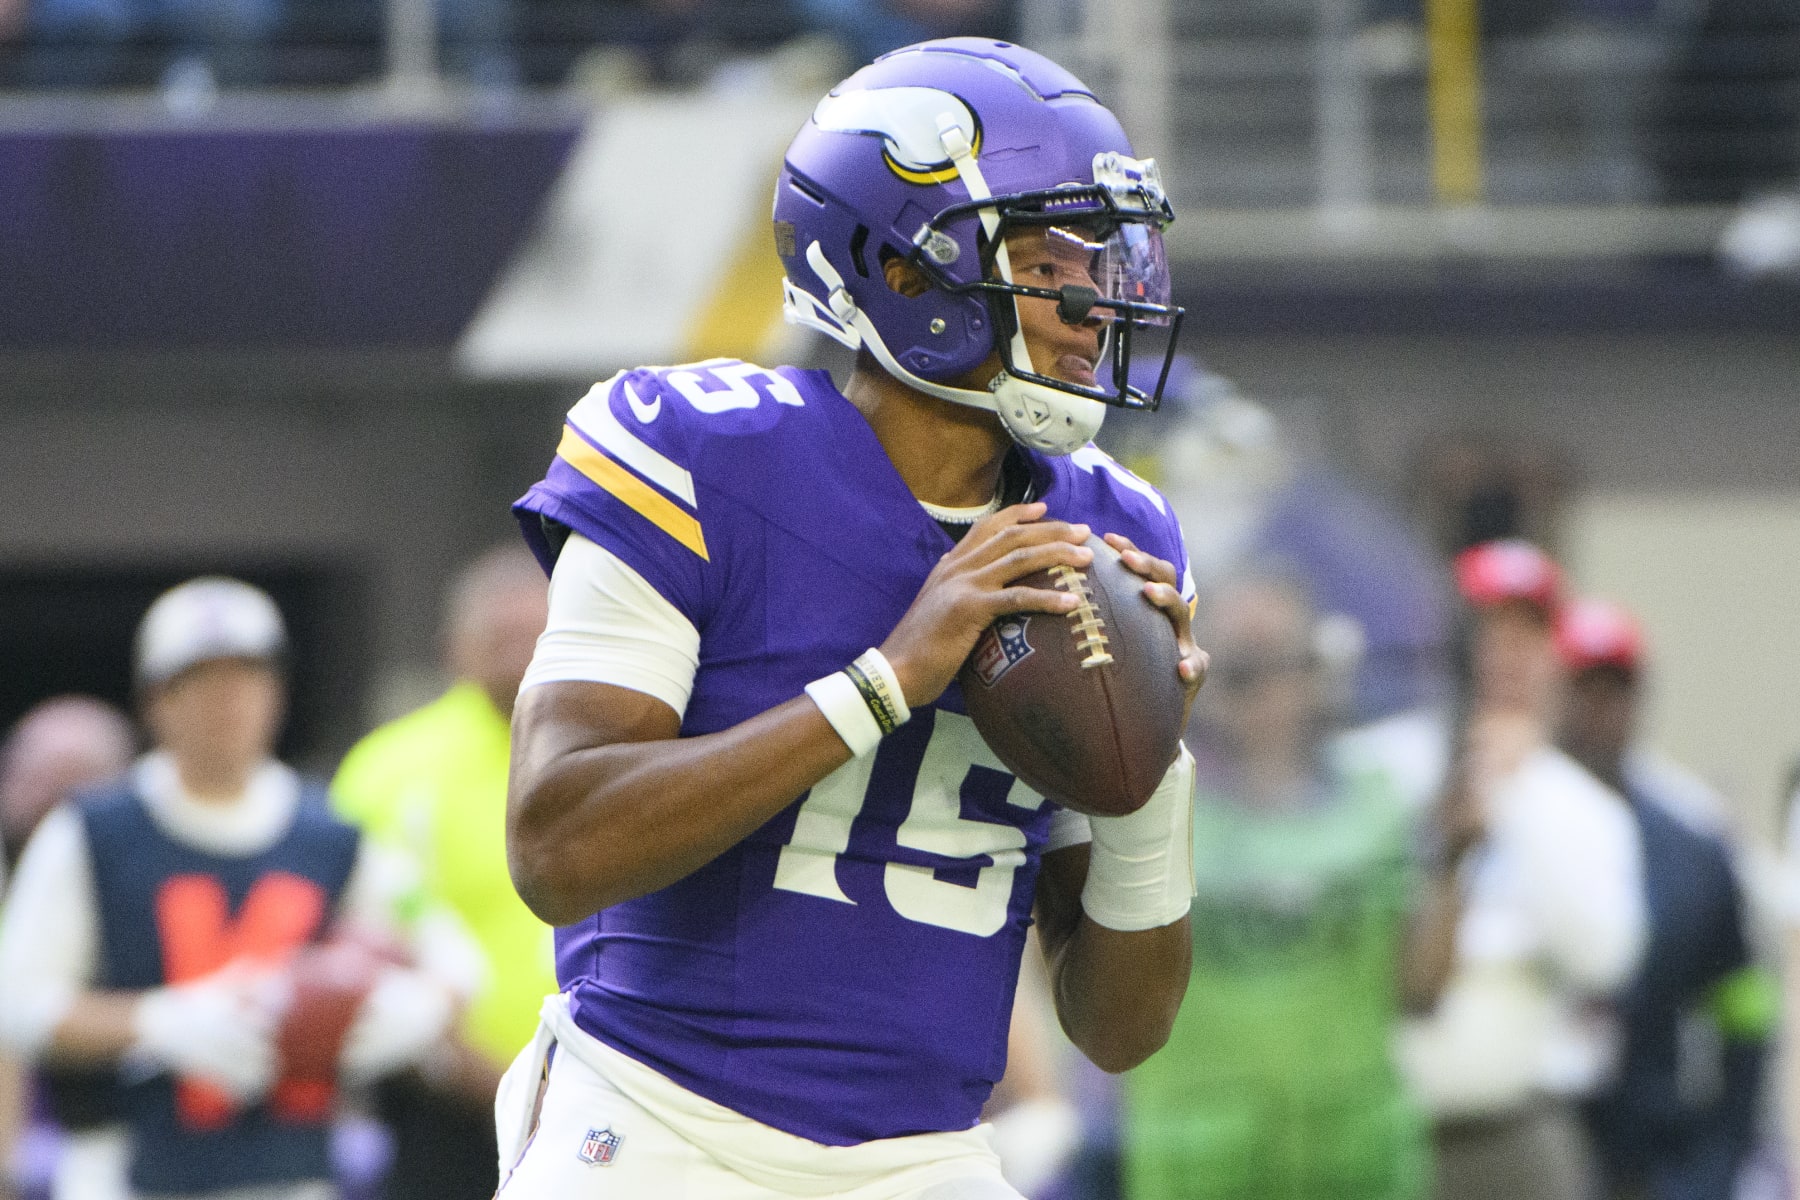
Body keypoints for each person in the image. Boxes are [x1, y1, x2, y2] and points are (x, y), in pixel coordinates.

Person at [499, 37, 1206, 1200]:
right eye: (1051, 256)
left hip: (922, 1151)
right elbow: (558, 849)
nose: (1099, 302)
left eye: (1111, 255)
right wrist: (887, 678)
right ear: (905, 272)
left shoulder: (1113, 532)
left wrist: (1150, 768)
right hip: (658, 1121)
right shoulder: (702, 452)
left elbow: (1121, 1031)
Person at [0, 577, 478, 1200]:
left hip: (292, 1173)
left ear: (275, 691)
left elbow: (451, 955)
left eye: (244, 677)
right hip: (127, 1172)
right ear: (156, 699)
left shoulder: (333, 835)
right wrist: (158, 1022)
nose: (225, 702)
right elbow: (19, 1004)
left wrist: (405, 1011)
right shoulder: (89, 831)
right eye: (199, 681)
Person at [1340, 539, 1647, 1200]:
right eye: (1487, 628)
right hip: (1371, 1119)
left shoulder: (1580, 807)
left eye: (1527, 633)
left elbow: (1603, 959)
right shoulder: (1374, 770)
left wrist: (1519, 794)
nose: (1505, 653)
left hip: (1516, 1130)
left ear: (1553, 656)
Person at [1122, 577, 1441, 1200]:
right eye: (1242, 673)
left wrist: (1456, 860)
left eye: (1284, 667)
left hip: (1356, 1155)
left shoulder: (1378, 805)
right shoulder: (1153, 805)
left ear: (1319, 674)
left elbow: (1419, 988)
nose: (1266, 697)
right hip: (1197, 1159)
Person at [331, 545, 557, 1200]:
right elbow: (365, 939)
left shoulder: (607, 747)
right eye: (498, 635)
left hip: (601, 1094)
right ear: (451, 647)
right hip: (443, 1104)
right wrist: (480, 1077)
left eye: (534, 633)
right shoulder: (390, 768)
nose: (518, 652)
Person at [1556, 598, 1774, 1200]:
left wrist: (1719, 1159)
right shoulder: (1515, 831)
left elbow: (1746, 1010)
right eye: (1582, 691)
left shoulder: (1691, 848)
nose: (1599, 713)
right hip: (1544, 1146)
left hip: (1656, 1157)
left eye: (1615, 692)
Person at [0, 697, 137, 1200]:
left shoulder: (150, 885)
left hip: (117, 1148)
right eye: (36, 776)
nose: (54, 797)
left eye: (80, 776)